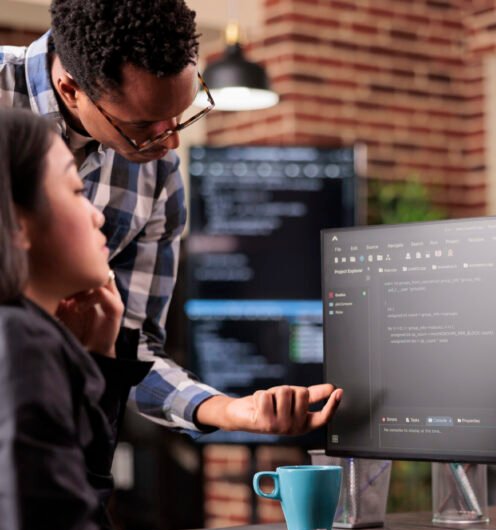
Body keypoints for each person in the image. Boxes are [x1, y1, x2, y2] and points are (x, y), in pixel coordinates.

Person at [0, 107, 496, 530]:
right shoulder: (18, 346)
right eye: (76, 191)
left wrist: (99, 365)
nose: (99, 215)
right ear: (19, 224)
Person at [0, 0, 341, 437]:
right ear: (71, 90)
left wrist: (233, 411)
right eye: (144, 124)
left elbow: (135, 347)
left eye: (181, 111)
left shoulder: (157, 173)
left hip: (61, 435)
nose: (172, 140)